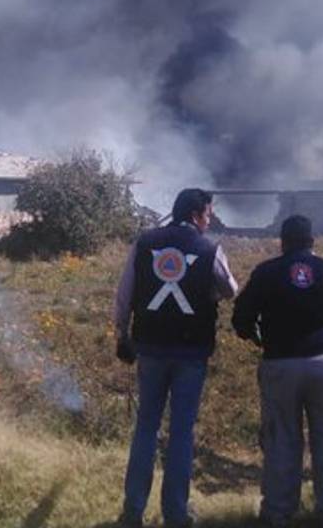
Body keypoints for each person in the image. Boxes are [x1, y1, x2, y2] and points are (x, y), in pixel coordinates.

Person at [232, 214, 323, 526]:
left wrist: (256, 337)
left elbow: (240, 317)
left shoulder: (266, 272)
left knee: (281, 438)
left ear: (282, 243)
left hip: (280, 365)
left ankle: (279, 513)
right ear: (313, 241)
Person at [114, 188, 239, 528]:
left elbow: (124, 294)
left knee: (145, 428)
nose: (209, 220)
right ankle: (176, 514)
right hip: (191, 352)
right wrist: (206, 291)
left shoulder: (145, 243)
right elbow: (230, 289)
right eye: (208, 215)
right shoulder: (208, 247)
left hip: (150, 349)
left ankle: (133, 510)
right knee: (182, 432)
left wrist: (121, 335)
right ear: (198, 215)